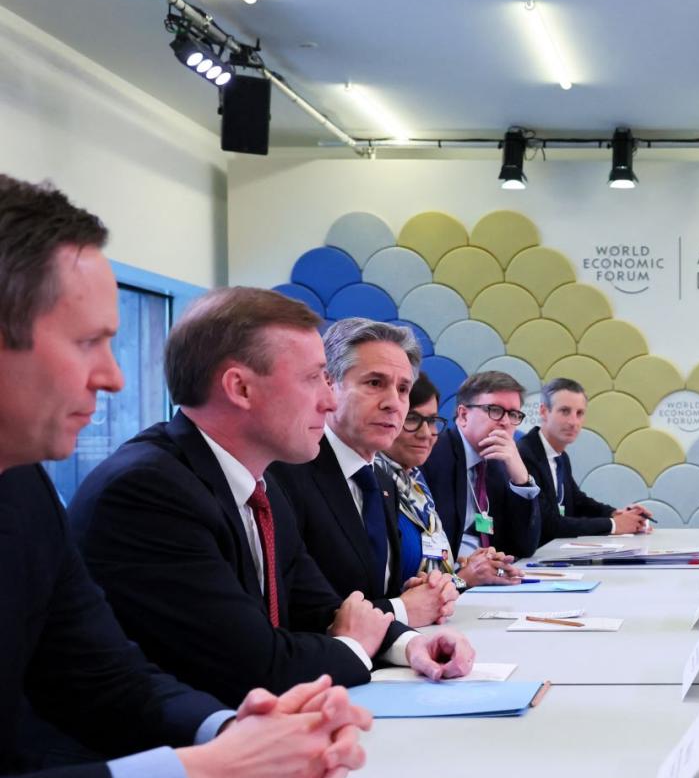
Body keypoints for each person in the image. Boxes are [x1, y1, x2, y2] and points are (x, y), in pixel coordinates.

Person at [0, 175, 368, 778]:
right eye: (88, 342)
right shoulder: (139, 487)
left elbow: (109, 677)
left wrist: (241, 735)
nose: (112, 377)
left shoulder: (22, 488)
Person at [69, 287, 473, 707]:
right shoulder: (148, 492)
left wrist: (409, 647)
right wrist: (355, 647)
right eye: (314, 378)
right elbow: (255, 666)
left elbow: (322, 607)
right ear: (240, 389)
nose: (328, 399)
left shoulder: (260, 483)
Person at [269, 318, 460, 625]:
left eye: (403, 389)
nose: (393, 404)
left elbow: (372, 590)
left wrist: (420, 592)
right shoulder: (285, 474)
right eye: (375, 383)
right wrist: (401, 610)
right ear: (328, 384)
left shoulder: (383, 481)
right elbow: (300, 610)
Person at [378, 373, 521, 588]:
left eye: (432, 421)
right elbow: (396, 586)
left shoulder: (414, 479)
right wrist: (464, 577)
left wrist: (461, 566)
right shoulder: (382, 477)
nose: (426, 433)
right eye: (412, 419)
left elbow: (521, 543)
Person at [423, 371, 543, 559]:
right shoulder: (433, 456)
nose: (505, 422)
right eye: (494, 410)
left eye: (513, 414)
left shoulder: (499, 464)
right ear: (463, 416)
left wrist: (521, 479)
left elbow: (524, 546)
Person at [519, 377, 652, 542]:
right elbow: (548, 523)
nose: (574, 422)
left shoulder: (561, 457)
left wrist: (618, 514)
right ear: (544, 412)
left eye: (579, 413)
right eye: (565, 411)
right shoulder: (525, 455)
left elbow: (577, 501)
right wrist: (614, 525)